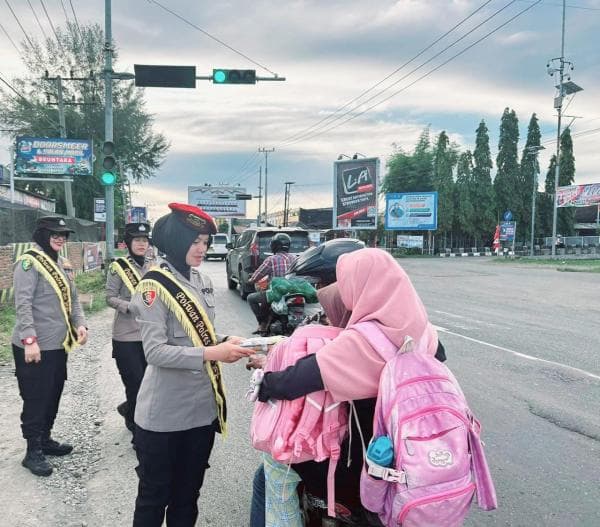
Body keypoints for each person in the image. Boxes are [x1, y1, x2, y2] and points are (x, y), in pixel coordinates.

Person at [251, 248, 442, 525]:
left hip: (358, 467)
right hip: (415, 457)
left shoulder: (363, 342)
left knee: (269, 472)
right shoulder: (427, 335)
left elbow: (291, 381)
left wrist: (263, 381)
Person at [129, 203, 254, 527]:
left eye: (205, 242)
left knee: (188, 496)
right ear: (175, 241)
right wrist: (214, 354)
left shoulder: (200, 280)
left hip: (200, 413)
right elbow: (155, 352)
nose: (202, 249)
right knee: (154, 497)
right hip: (164, 417)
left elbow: (205, 335)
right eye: (195, 241)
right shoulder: (153, 286)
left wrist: (234, 342)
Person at [12, 216, 88, 477]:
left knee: (53, 392)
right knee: (35, 396)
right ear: (42, 234)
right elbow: (22, 305)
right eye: (54, 233)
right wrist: (30, 341)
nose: (60, 238)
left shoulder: (62, 264)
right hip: (33, 346)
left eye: (63, 235)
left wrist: (80, 324)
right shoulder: (28, 263)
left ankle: (45, 439)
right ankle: (32, 451)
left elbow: (74, 300)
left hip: (58, 344)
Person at [105, 222, 152, 434]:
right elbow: (109, 297)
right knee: (135, 384)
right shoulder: (119, 266)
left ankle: (128, 409)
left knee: (150, 384)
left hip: (150, 335)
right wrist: (129, 306)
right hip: (126, 336)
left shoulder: (155, 265)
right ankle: (136, 428)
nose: (141, 244)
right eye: (137, 240)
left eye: (144, 240)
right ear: (128, 243)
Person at [247, 232, 296, 334]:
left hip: (277, 293)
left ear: (274, 246)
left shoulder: (271, 259)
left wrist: (251, 280)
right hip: (294, 293)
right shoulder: (295, 258)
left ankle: (262, 324)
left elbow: (258, 275)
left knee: (251, 298)